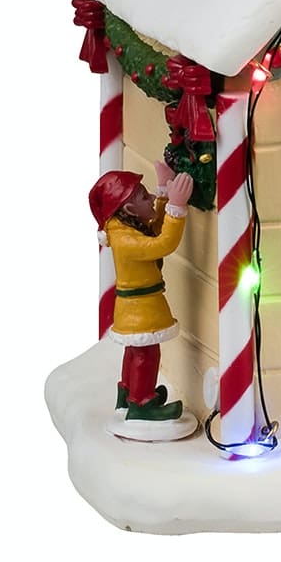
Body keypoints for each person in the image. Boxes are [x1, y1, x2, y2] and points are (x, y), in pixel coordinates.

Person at [88, 162, 193, 424]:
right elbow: (162, 243)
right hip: (139, 307)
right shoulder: (126, 240)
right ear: (129, 209)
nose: (151, 198)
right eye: (145, 197)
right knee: (146, 353)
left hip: (137, 306)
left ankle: (128, 396)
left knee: (136, 351)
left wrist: (164, 194)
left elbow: (153, 229)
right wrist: (177, 208)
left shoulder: (124, 227)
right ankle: (142, 403)